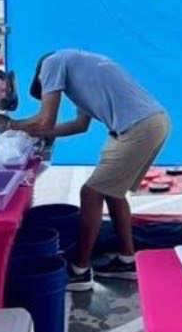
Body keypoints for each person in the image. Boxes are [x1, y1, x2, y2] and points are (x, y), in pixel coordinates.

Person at [10, 50, 169, 290]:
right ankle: (127, 261)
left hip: (138, 128)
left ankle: (79, 270)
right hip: (150, 123)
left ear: (42, 75)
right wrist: (33, 132)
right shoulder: (80, 71)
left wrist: (9, 126)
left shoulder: (52, 63)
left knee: (91, 192)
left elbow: (45, 120)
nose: (51, 92)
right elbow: (78, 126)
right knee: (114, 193)